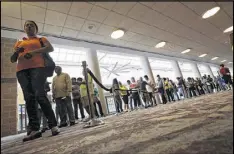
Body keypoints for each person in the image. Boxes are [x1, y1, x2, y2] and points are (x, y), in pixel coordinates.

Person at [10, 20, 59, 142]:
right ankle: (35, 129)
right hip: (21, 70)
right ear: (24, 28)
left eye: (31, 25)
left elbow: (50, 48)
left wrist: (33, 52)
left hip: (37, 68)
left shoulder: (41, 39)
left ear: (35, 28)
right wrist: (17, 51)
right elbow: (12, 59)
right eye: (27, 25)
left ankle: (53, 125)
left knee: (40, 95)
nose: (29, 26)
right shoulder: (19, 42)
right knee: (28, 98)